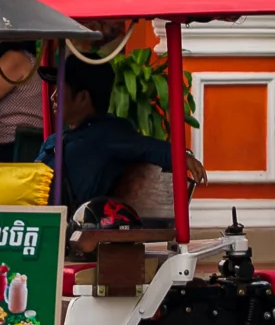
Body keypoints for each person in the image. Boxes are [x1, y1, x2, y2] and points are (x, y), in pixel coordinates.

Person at [38, 57, 200, 216]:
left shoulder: (109, 134)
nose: (53, 97)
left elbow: (145, 146)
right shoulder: (54, 140)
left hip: (68, 230)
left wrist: (181, 156)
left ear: (82, 98)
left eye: (60, 90)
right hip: (33, 218)